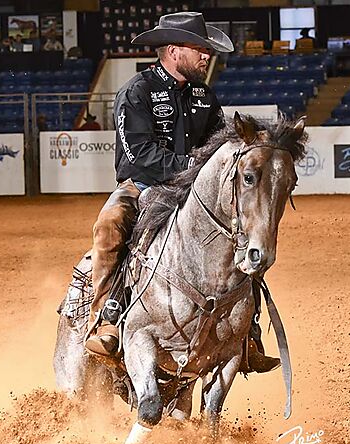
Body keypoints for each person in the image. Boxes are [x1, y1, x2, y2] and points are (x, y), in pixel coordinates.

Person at [84, 11, 279, 374]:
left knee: (243, 233)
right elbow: (138, 154)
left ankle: (246, 332)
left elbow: (222, 144)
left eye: (207, 50)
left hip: (194, 192)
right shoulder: (137, 92)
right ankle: (106, 318)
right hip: (143, 186)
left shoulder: (204, 96)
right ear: (173, 51)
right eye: (199, 49)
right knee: (109, 224)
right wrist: (192, 167)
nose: (207, 56)